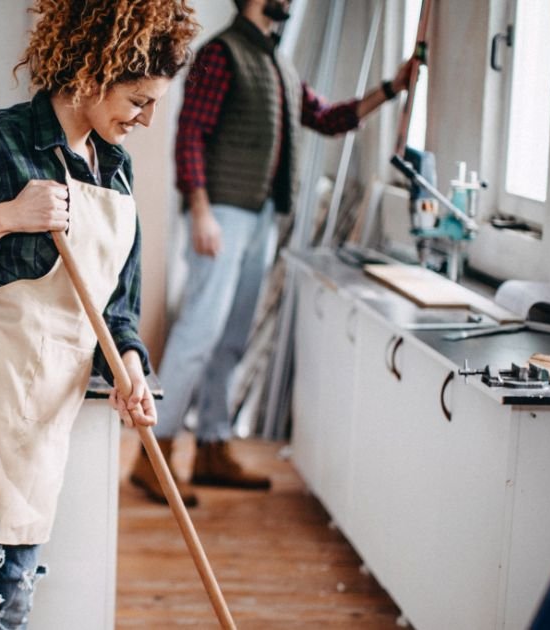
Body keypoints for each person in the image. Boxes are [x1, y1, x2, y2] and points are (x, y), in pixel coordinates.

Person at [0, 1, 199, 627]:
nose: (147, 118)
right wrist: (2, 217)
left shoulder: (116, 169)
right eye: (138, 100)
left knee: (12, 605)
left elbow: (118, 303)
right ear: (89, 72)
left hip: (46, 409)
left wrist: (130, 363)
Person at [128, 0, 416, 506]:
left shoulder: (276, 61)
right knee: (198, 332)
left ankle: (213, 447)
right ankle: (153, 456)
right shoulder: (222, 54)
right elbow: (190, 132)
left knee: (232, 337)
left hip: (260, 216)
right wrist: (199, 210)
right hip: (221, 214)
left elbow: (325, 118)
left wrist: (391, 89)